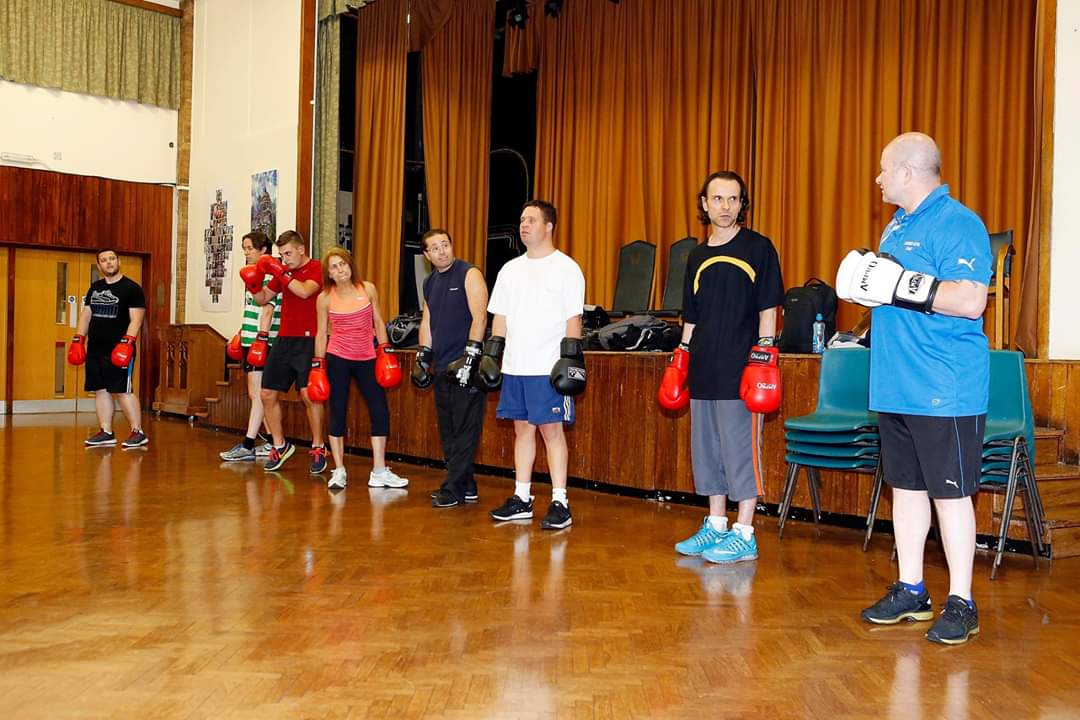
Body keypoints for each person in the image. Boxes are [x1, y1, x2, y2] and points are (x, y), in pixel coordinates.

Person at [837, 132, 991, 645]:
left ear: (908, 172)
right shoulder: (896, 227)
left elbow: (971, 301)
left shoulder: (959, 224)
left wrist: (905, 286)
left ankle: (963, 601)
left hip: (944, 386)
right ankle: (911, 589)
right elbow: (892, 299)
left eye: (884, 170)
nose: (878, 179)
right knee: (905, 490)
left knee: (951, 496)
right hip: (897, 382)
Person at [668, 171, 784, 565]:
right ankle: (716, 525)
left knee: (739, 451)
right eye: (717, 199)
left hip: (743, 367)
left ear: (741, 204)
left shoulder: (759, 248)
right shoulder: (697, 256)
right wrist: (681, 356)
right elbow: (692, 314)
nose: (725, 206)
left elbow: (769, 307)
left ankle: (745, 533)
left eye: (733, 199)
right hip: (703, 365)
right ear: (704, 203)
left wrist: (764, 356)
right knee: (707, 450)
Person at [485, 200, 586, 530]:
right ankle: (522, 497)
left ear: (549, 226)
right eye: (521, 219)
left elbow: (574, 318)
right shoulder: (510, 270)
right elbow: (500, 315)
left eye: (531, 220)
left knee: (551, 431)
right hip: (516, 365)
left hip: (548, 366)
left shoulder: (566, 268)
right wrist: (492, 354)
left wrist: (569, 359)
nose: (523, 225)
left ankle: (560, 501)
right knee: (521, 429)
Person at [312, 247, 406, 490]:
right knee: (337, 411)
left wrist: (384, 349)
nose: (340, 269)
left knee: (379, 410)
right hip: (338, 357)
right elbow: (321, 333)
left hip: (367, 356)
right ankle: (339, 470)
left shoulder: (368, 289)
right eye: (334, 266)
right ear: (329, 274)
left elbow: (378, 321)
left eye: (343, 263)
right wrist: (318, 366)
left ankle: (379, 470)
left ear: (350, 265)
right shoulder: (324, 298)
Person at [412, 229, 490, 508]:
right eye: (435, 248)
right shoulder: (430, 282)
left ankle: (453, 486)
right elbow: (427, 320)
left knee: (467, 428)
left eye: (445, 244)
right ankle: (467, 484)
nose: (442, 251)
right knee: (449, 429)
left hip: (465, 364)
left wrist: (470, 357)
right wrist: (423, 356)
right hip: (442, 365)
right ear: (426, 255)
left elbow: (480, 316)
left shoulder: (469, 274)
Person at [246, 230, 326, 473]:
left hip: (309, 340)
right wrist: (252, 282)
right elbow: (262, 299)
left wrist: (279, 271)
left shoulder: (316, 268)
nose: (285, 259)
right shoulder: (283, 272)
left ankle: (318, 446)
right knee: (267, 393)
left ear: (301, 249)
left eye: (288, 253)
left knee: (307, 394)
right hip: (284, 339)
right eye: (281, 255)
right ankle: (280, 445)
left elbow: (304, 291)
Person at [69, 249, 148, 449]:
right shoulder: (95, 288)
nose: (109, 262)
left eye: (112, 259)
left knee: (123, 390)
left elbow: (136, 319)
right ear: (99, 266)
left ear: (118, 261)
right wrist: (78, 339)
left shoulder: (131, 288)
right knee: (100, 390)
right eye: (104, 260)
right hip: (96, 347)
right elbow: (86, 315)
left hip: (120, 347)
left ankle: (137, 432)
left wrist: (127, 342)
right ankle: (106, 431)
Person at [220, 231, 281, 461]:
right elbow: (253, 309)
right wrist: (241, 332)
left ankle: (248, 444)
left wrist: (262, 338)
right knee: (254, 393)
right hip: (249, 338)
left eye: (249, 248)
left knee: (260, 395)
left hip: (263, 341)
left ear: (263, 250)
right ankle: (272, 442)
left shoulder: (269, 275)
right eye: (244, 248)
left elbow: (268, 309)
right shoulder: (252, 275)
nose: (246, 253)